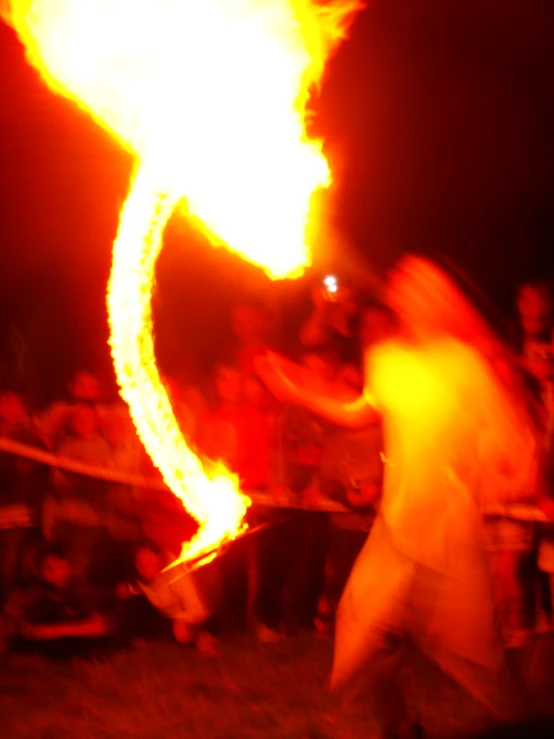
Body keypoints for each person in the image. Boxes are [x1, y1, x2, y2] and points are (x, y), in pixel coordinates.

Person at [257, 257, 539, 737]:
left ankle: (523, 720)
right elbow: (356, 412)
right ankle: (399, 727)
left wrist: (513, 468)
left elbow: (509, 438)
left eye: (419, 290)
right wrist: (297, 390)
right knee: (358, 625)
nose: (407, 298)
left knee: (471, 653)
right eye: (402, 290)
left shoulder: (465, 364)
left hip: (448, 529)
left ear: (440, 301)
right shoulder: (388, 361)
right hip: (397, 523)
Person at [0, 545, 114, 653]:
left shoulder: (81, 589)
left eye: (54, 562)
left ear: (66, 564)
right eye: (44, 568)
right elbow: (21, 619)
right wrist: (26, 627)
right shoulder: (49, 597)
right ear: (44, 578)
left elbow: (103, 626)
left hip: (92, 649)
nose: (50, 567)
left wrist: (54, 631)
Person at [116, 541, 218, 656]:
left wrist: (182, 621)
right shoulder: (139, 577)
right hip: (165, 615)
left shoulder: (176, 573)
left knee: (181, 632)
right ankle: (136, 638)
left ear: (159, 559)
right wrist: (125, 590)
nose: (143, 566)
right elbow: (134, 588)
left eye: (149, 561)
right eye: (139, 562)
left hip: (194, 614)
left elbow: (197, 608)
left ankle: (202, 636)